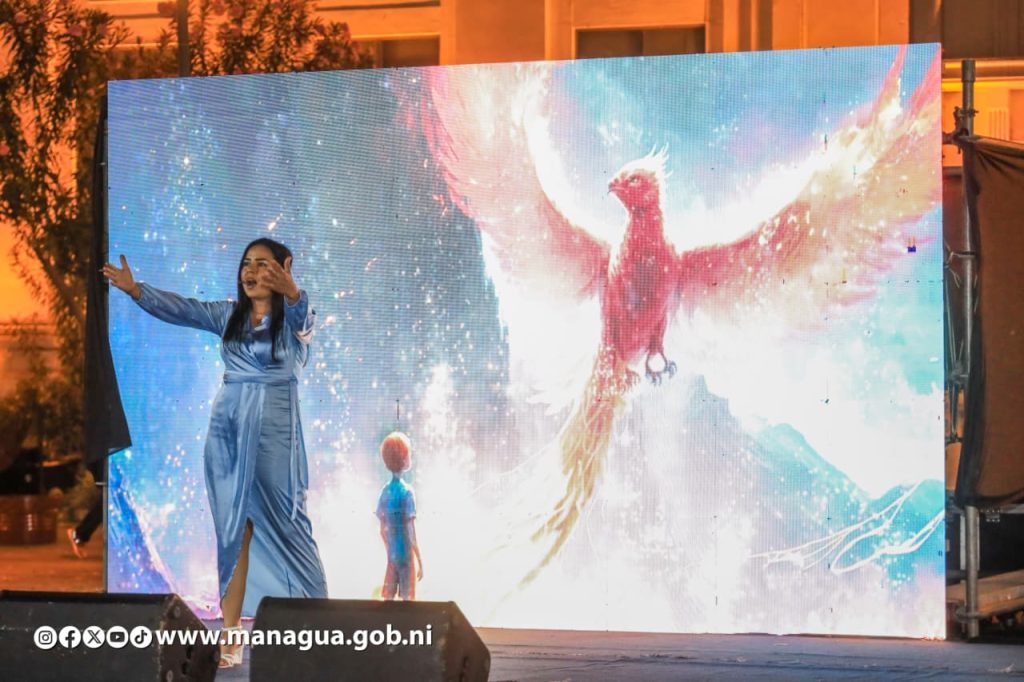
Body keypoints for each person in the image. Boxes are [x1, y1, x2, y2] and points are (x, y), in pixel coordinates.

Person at [103, 238, 327, 669]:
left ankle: (320, 627)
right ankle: (231, 636)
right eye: (246, 264)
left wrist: (294, 292)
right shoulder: (228, 316)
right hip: (228, 430)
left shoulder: (295, 322)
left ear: (283, 269)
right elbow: (184, 309)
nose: (251, 272)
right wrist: (136, 290)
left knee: (291, 525)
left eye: (263, 264)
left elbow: (303, 315)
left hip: (275, 434)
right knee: (233, 532)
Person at [375, 432, 423, 600]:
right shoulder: (407, 492)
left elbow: (382, 530)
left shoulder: (385, 491)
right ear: (404, 459)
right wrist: (419, 558)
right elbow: (410, 531)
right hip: (406, 556)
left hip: (393, 555)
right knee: (408, 601)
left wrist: (390, 550)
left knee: (388, 598)